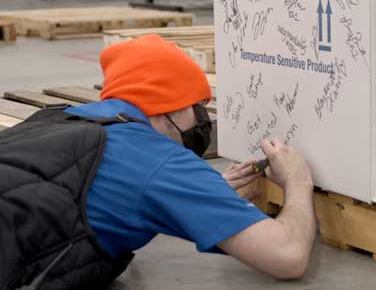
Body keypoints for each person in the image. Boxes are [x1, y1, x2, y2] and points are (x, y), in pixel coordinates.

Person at [0, 35, 316, 289]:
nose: (202, 119)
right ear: (169, 104)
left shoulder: (55, 119)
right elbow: (287, 256)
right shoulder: (155, 159)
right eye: (197, 105)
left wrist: (199, 198)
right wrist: (298, 182)